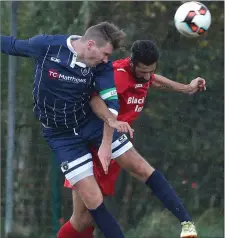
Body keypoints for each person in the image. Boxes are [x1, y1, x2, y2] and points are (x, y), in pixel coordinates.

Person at [60, 40, 206, 238]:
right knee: (141, 170)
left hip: (110, 143)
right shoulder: (118, 76)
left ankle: (186, 222)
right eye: (143, 71)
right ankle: (186, 222)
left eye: (150, 70)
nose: (147, 76)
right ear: (132, 63)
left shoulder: (143, 76)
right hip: (93, 144)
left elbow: (154, 80)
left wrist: (186, 88)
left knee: (85, 219)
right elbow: (96, 100)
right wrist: (107, 140)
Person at [1, 22, 135, 238]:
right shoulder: (47, 46)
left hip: (87, 126)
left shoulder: (101, 66)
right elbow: (13, 45)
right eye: (105, 53)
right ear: (90, 44)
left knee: (94, 206)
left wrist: (107, 142)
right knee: (93, 202)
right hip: (60, 136)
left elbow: (111, 103)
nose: (106, 59)